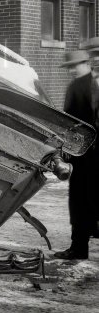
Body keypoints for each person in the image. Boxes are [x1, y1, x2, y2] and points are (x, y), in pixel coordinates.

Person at [53, 47, 99, 260]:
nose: (72, 70)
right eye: (70, 67)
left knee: (86, 201)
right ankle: (79, 248)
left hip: (90, 155)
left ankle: (79, 247)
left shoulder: (92, 86)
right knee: (81, 201)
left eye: (76, 65)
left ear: (87, 63)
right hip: (82, 155)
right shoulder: (76, 86)